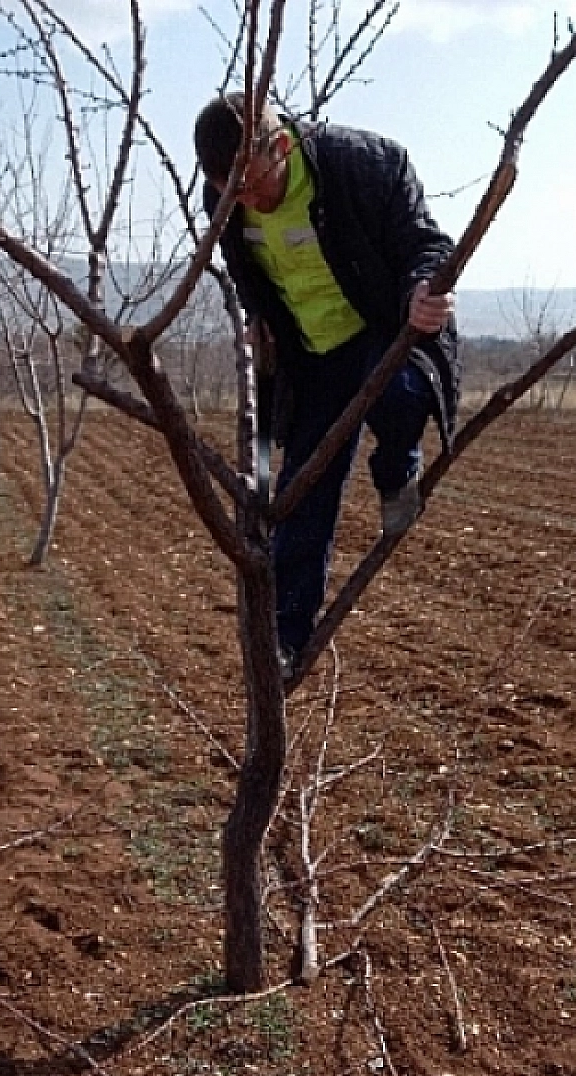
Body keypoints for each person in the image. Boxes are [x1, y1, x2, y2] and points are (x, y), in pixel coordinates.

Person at [194, 93, 460, 677]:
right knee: (301, 496)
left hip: (379, 328)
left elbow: (425, 243)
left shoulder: (363, 164)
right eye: (229, 192)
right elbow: (243, 267)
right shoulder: (226, 196)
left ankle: (398, 474)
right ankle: (286, 640)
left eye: (253, 184)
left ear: (282, 147)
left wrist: (422, 291)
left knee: (399, 398)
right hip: (309, 357)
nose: (244, 202)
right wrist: (258, 316)